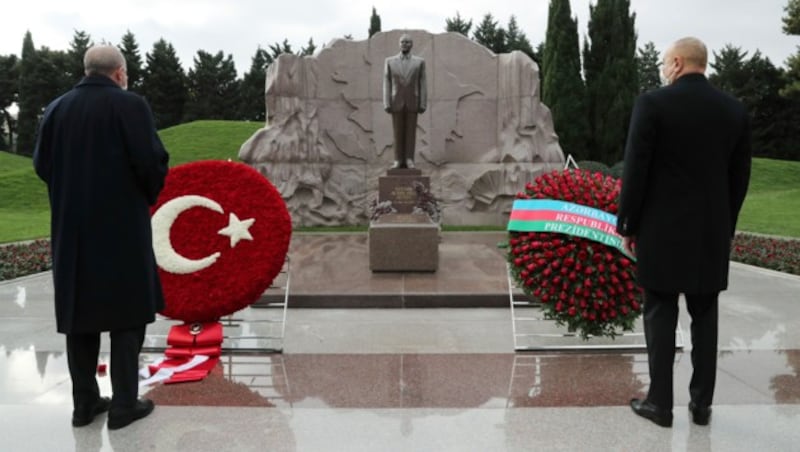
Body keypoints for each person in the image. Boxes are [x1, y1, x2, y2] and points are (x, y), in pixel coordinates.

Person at [617, 37, 751, 428]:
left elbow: (636, 169)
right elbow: (739, 177)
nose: (662, 67)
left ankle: (660, 404)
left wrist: (628, 222)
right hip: (711, 231)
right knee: (705, 315)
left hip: (661, 230)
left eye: (664, 62)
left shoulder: (653, 104)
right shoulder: (734, 110)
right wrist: (726, 223)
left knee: (659, 311)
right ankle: (701, 405)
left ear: (676, 62)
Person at [33, 45, 169, 430]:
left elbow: (42, 164)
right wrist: (141, 195)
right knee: (127, 314)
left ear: (86, 69)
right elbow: (150, 161)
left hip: (72, 228)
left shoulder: (56, 108)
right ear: (120, 73)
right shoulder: (130, 106)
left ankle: (84, 403)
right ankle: (124, 404)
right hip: (122, 226)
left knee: (80, 316)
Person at [383, 33, 427, 169]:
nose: (405, 44)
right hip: (396, 101)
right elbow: (386, 82)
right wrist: (386, 102)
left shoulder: (419, 62)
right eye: (402, 42)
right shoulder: (389, 61)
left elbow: (423, 83)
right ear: (399, 44)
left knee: (411, 133)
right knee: (397, 133)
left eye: (407, 42)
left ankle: (409, 159)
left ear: (412, 45)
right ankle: (397, 160)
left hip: (412, 101)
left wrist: (423, 103)